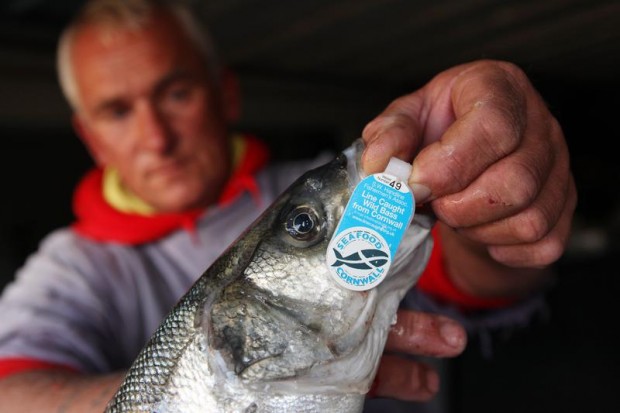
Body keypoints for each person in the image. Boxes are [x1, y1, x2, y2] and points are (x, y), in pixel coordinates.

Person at [0, 0, 576, 412]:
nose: (156, 137)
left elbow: (475, 275)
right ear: (91, 137)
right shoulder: (71, 264)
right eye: (118, 111)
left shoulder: (323, 188)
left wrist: (491, 206)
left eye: (175, 93)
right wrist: (197, 393)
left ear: (224, 94)